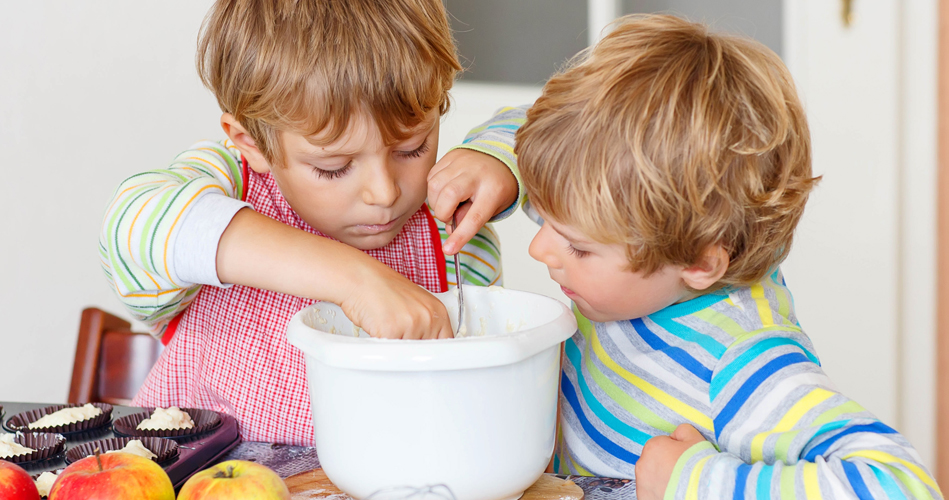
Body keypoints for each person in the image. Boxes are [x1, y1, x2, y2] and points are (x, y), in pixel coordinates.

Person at [509, 14, 941, 499]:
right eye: (541, 215)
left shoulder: (741, 361)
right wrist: (494, 164)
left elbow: (900, 486)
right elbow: (535, 130)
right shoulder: (644, 225)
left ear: (698, 263)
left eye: (577, 247)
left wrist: (695, 483)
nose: (538, 247)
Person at [98, 0, 521, 445]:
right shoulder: (227, 185)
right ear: (251, 142)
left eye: (411, 148)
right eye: (335, 167)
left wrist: (495, 158)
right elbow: (132, 225)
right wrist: (355, 279)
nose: (385, 192)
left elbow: (552, 128)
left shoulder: (452, 234)